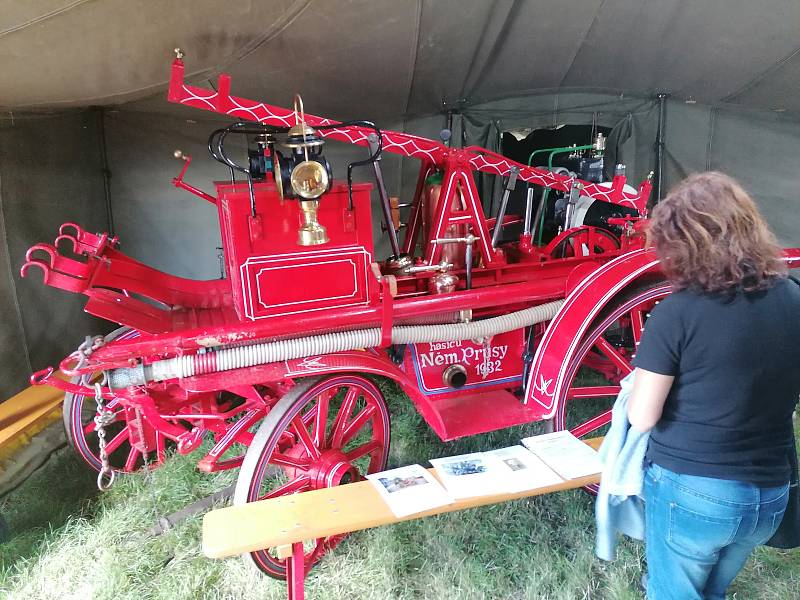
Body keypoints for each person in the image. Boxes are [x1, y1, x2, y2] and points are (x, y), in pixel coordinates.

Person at [627, 171, 800, 600]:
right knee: (713, 591)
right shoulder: (794, 297)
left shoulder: (676, 314)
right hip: (769, 496)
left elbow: (642, 416)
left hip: (695, 494)